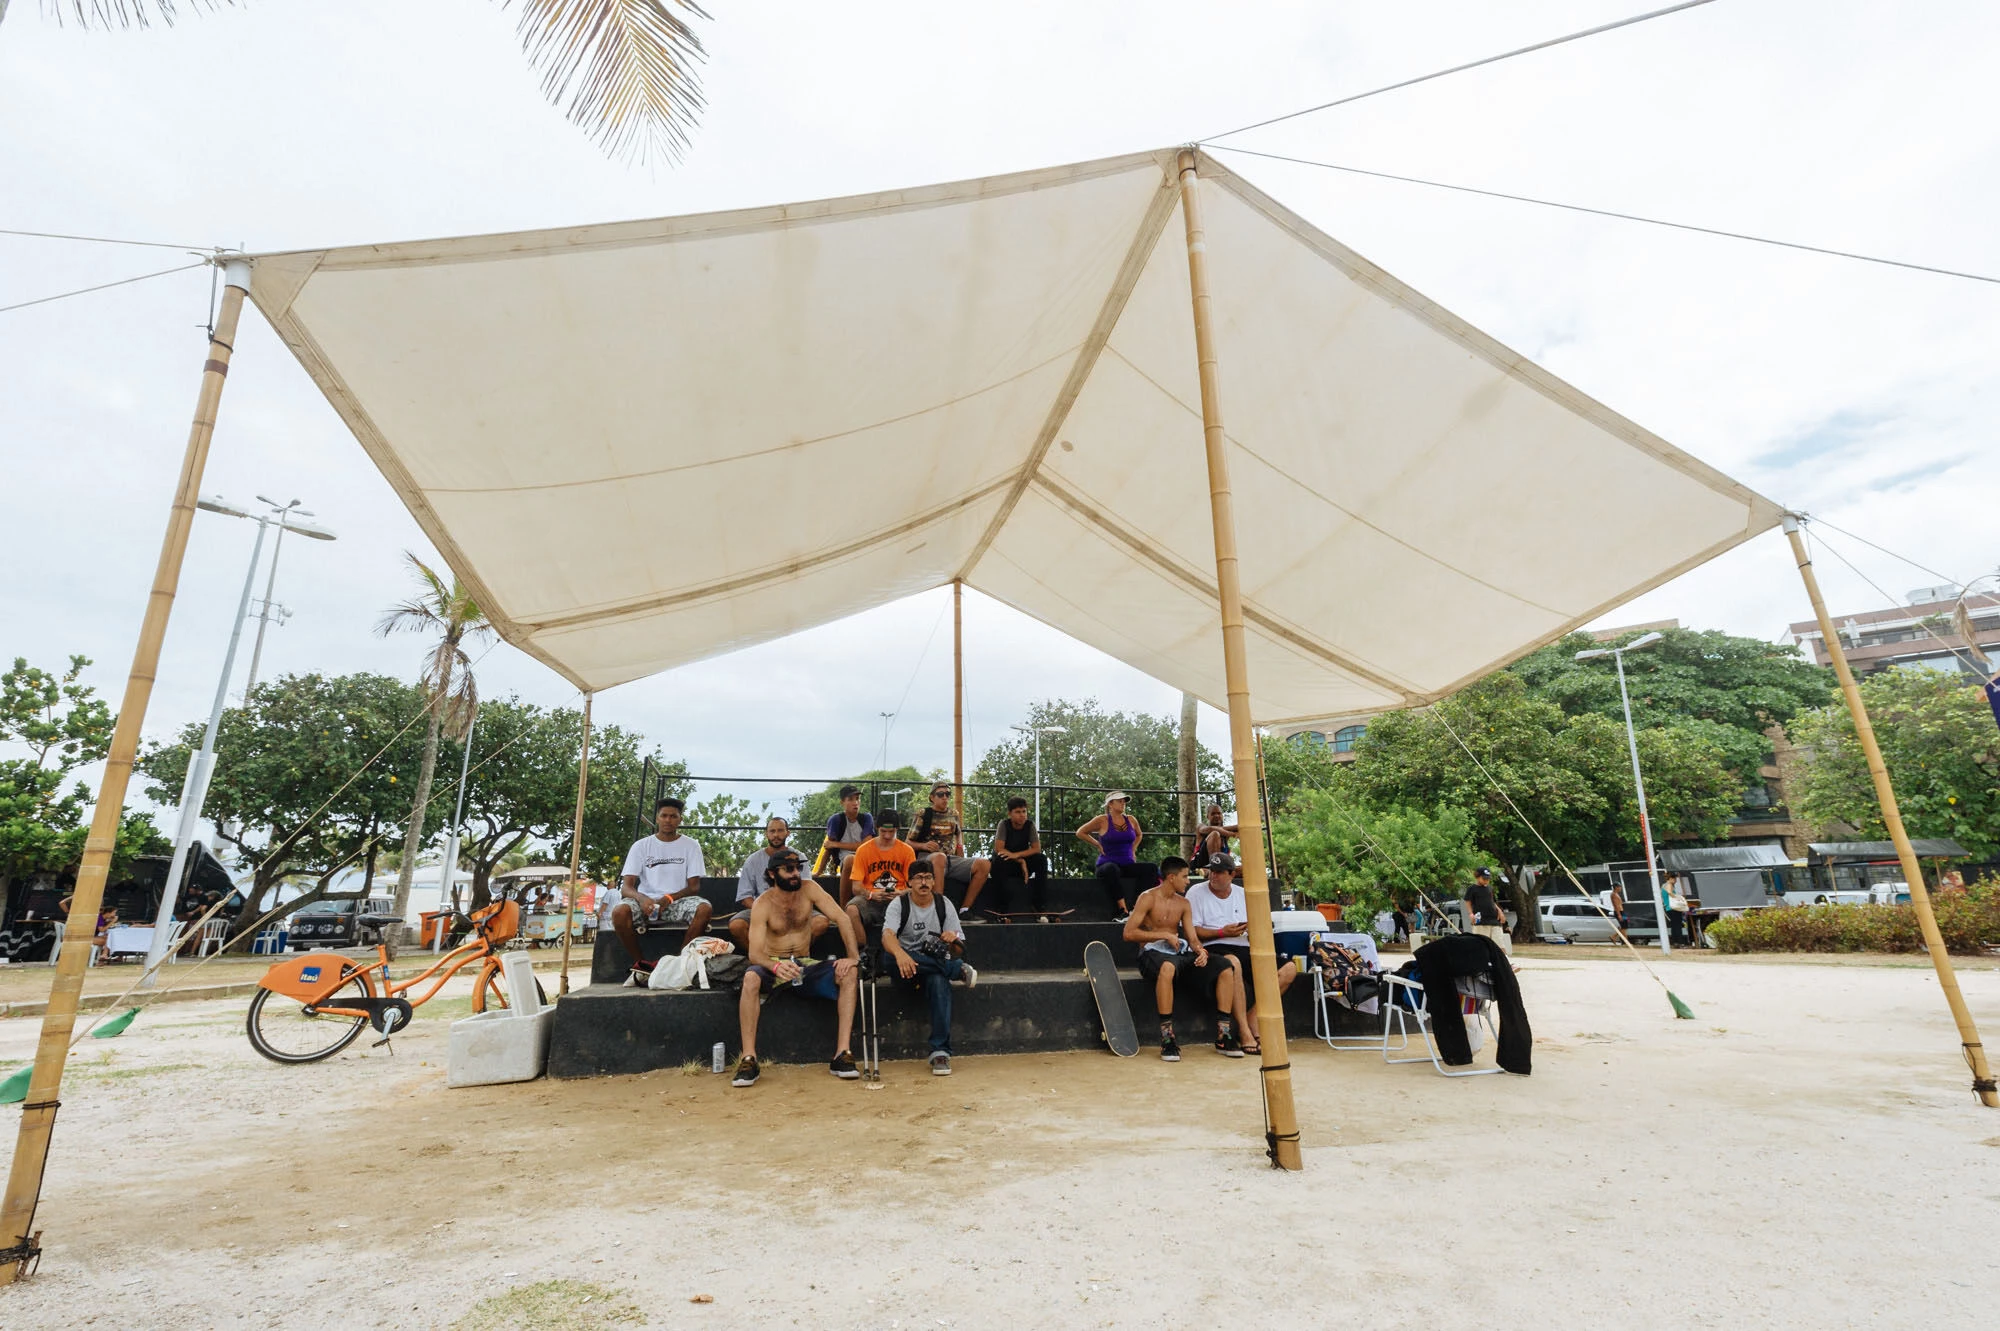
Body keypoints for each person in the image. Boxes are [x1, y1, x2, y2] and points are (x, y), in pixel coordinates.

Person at [733, 850, 862, 1087]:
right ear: (772, 874)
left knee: (849, 973)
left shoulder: (809, 889)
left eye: (797, 868)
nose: (795, 874)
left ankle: (842, 1054)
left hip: (804, 963)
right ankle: (749, 1059)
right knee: (751, 979)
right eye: (788, 869)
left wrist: (852, 957)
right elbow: (754, 954)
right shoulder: (762, 903)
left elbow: (842, 918)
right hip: (773, 963)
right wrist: (774, 966)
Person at [1188, 853, 1295, 1057]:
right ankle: (1245, 1031)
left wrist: (1254, 930)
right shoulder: (1196, 892)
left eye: (1219, 872)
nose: (1214, 876)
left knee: (1288, 969)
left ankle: (1253, 1017)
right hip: (1214, 945)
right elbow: (1194, 931)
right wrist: (1222, 932)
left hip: (1244, 945)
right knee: (1233, 963)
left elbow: (1258, 927)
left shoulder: (1243, 893)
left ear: (1231, 874)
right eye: (1212, 871)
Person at [1121, 855, 1227, 1061]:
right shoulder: (1148, 898)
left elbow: (1193, 938)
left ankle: (1225, 1033)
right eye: (1185, 876)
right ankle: (1167, 1037)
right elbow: (1128, 933)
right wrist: (1164, 935)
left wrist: (1200, 952)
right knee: (1168, 967)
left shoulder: (1184, 903)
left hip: (1178, 953)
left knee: (1224, 965)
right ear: (1171, 878)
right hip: (1151, 954)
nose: (1188, 881)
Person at [880, 861, 978, 1076]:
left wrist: (953, 940)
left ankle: (940, 1052)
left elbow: (959, 947)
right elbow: (887, 936)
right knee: (888, 956)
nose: (923, 883)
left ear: (934, 881)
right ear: (909, 882)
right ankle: (956, 970)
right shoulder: (899, 903)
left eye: (927, 878)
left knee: (937, 979)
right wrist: (901, 954)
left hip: (931, 965)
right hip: (905, 969)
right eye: (918, 878)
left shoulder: (944, 904)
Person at [610, 797, 713, 984]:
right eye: (664, 816)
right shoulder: (641, 846)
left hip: (676, 902)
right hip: (645, 903)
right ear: (657, 818)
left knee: (704, 908)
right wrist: (641, 899)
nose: (668, 820)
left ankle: (677, 964)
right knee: (619, 912)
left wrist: (669, 898)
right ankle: (641, 965)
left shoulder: (691, 845)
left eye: (673, 816)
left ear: (680, 820)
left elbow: (694, 887)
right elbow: (626, 887)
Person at [729, 816, 828, 949]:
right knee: (736, 925)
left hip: (796, 909)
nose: (776, 835)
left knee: (820, 923)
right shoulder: (753, 860)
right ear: (766, 834)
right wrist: (765, 912)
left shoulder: (799, 857)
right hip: (762, 909)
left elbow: (807, 892)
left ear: (788, 833)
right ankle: (761, 960)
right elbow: (745, 897)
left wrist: (789, 911)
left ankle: (795, 955)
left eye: (780, 830)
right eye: (772, 831)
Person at [909, 782, 990, 918]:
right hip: (927, 859)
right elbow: (907, 842)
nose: (945, 797)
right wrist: (924, 846)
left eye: (947, 794)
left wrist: (960, 849)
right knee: (939, 857)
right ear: (932, 797)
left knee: (985, 864)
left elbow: (958, 835)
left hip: (949, 858)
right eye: (941, 794)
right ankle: (939, 909)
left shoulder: (954, 814)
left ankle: (964, 909)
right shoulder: (923, 813)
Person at [1077, 791, 1156, 920]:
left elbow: (1139, 834)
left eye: (1124, 801)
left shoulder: (1131, 819)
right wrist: (1097, 844)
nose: (1123, 803)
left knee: (1151, 868)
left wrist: (1133, 849)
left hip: (1126, 864)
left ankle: (1137, 907)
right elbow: (1080, 832)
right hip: (1107, 865)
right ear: (1110, 804)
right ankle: (1122, 909)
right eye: (1119, 801)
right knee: (1111, 869)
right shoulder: (1102, 820)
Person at [844, 809, 914, 952]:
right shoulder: (864, 850)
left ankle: (904, 950)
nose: (887, 836)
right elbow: (856, 887)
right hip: (871, 897)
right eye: (883, 832)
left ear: (897, 829)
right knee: (851, 909)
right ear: (877, 828)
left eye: (891, 832)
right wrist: (870, 894)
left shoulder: (907, 851)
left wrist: (901, 893)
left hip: (898, 898)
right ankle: (864, 951)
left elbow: (914, 886)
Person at [987, 797, 1051, 919]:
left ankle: (1039, 906)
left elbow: (1036, 848)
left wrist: (1017, 855)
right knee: (998, 861)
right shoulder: (1004, 824)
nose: (1022, 815)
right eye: (1018, 812)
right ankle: (1002, 909)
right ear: (1010, 814)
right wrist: (1020, 861)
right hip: (1007, 865)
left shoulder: (1030, 825)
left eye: (1024, 811)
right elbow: (999, 849)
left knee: (1041, 859)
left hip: (1021, 863)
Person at [822, 785, 875, 876]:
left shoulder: (867, 818)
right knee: (850, 860)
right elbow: (828, 847)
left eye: (857, 798)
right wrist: (819, 872)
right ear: (842, 802)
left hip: (866, 859)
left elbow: (866, 846)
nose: (855, 803)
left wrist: (836, 844)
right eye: (850, 799)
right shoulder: (836, 820)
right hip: (845, 861)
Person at [1464, 867, 1511, 957]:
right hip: (1481, 920)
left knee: (1499, 943)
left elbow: (1492, 901)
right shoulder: (1472, 888)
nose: (1486, 881)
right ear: (1477, 877)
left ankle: (1506, 963)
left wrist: (1500, 911)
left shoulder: (1489, 888)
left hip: (1494, 920)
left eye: (1488, 879)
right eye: (1484, 878)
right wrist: (1470, 914)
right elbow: (1468, 901)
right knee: (1482, 944)